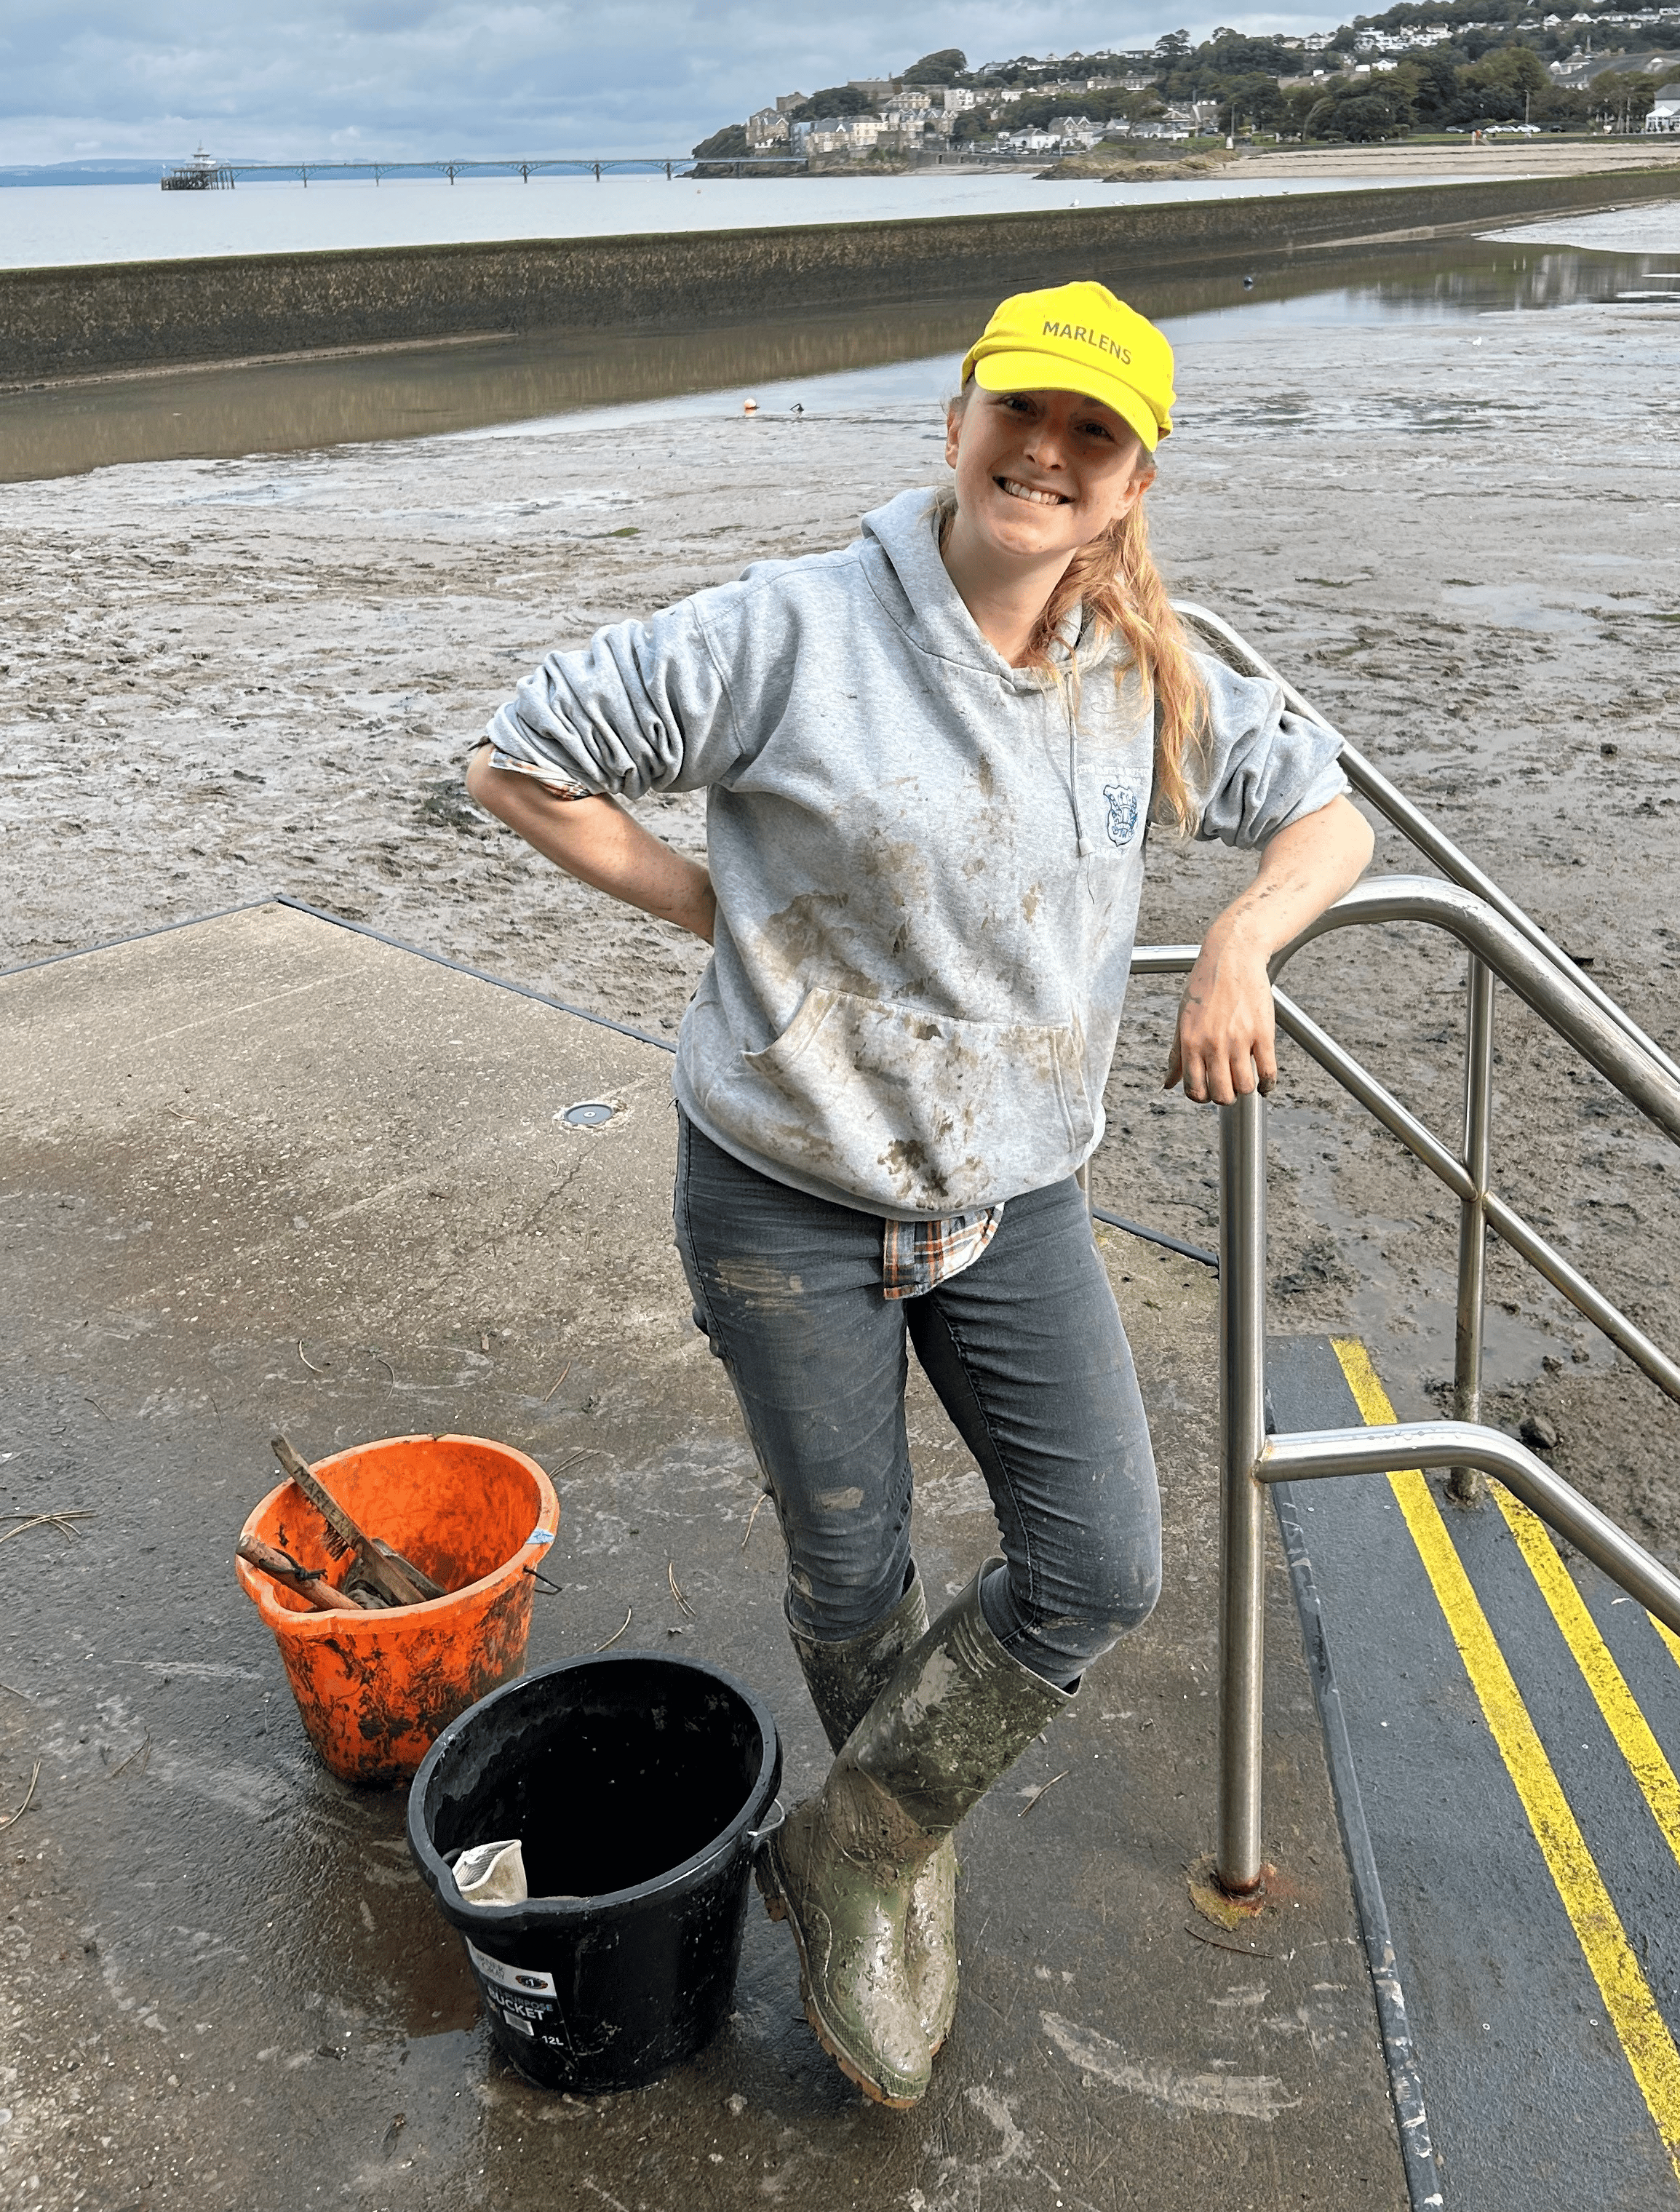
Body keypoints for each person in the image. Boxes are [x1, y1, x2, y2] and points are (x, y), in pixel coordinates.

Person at [466, 279, 1372, 2106]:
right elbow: (519, 753)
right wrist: (718, 914)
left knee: (1103, 1561)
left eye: (1092, 435)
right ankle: (906, 1882)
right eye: (1019, 414)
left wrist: (1242, 946)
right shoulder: (793, 631)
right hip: (785, 1198)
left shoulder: (1152, 668)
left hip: (1019, 1197)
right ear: (955, 422)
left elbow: (1330, 808)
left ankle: (866, 1837)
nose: (1047, 454)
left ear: (1132, 484)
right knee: (855, 1567)